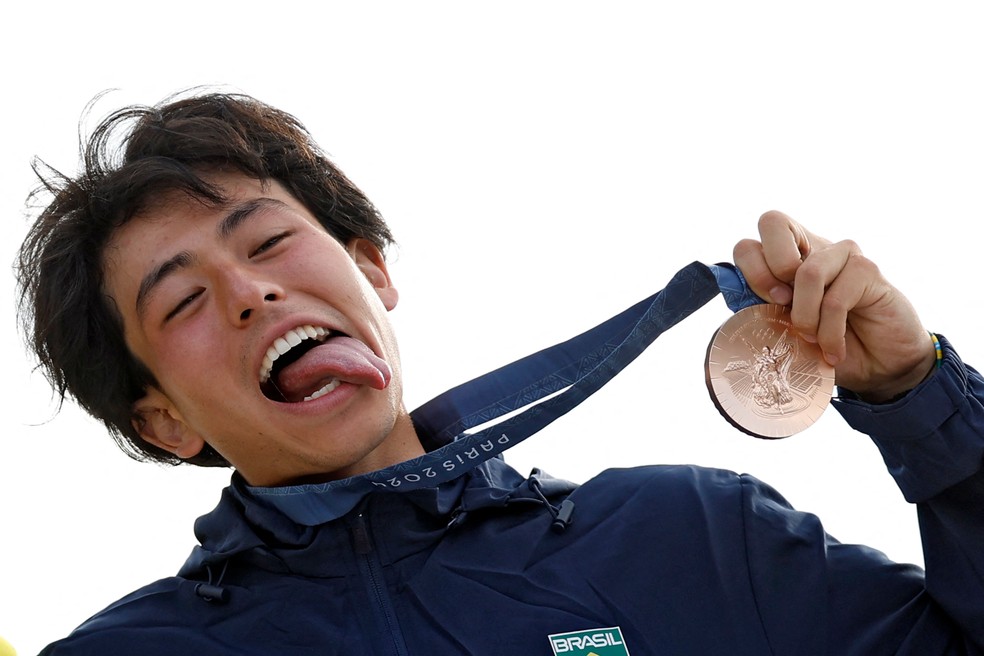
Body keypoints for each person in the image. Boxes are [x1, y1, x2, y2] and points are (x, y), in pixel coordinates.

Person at [17, 92, 983, 655]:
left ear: (371, 269)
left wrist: (919, 398)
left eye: (269, 240)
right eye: (181, 302)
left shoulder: (690, 538)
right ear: (162, 423)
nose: (250, 294)